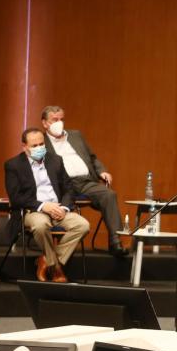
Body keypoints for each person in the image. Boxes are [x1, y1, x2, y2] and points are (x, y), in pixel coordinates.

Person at [40, 105, 129, 256]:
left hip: (86, 181)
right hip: (63, 186)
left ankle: (115, 242)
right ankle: (57, 248)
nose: (59, 123)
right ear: (44, 123)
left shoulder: (75, 135)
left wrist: (102, 171)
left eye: (61, 119)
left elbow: (92, 157)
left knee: (109, 195)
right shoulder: (41, 142)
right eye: (54, 120)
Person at [5, 127, 90, 283]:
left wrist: (64, 208)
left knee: (82, 225)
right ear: (24, 147)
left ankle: (46, 260)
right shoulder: (13, 165)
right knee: (41, 225)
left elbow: (69, 189)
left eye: (41, 144)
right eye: (34, 145)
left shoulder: (55, 160)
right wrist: (43, 206)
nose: (39, 148)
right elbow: (16, 197)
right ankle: (55, 267)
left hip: (58, 209)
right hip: (32, 210)